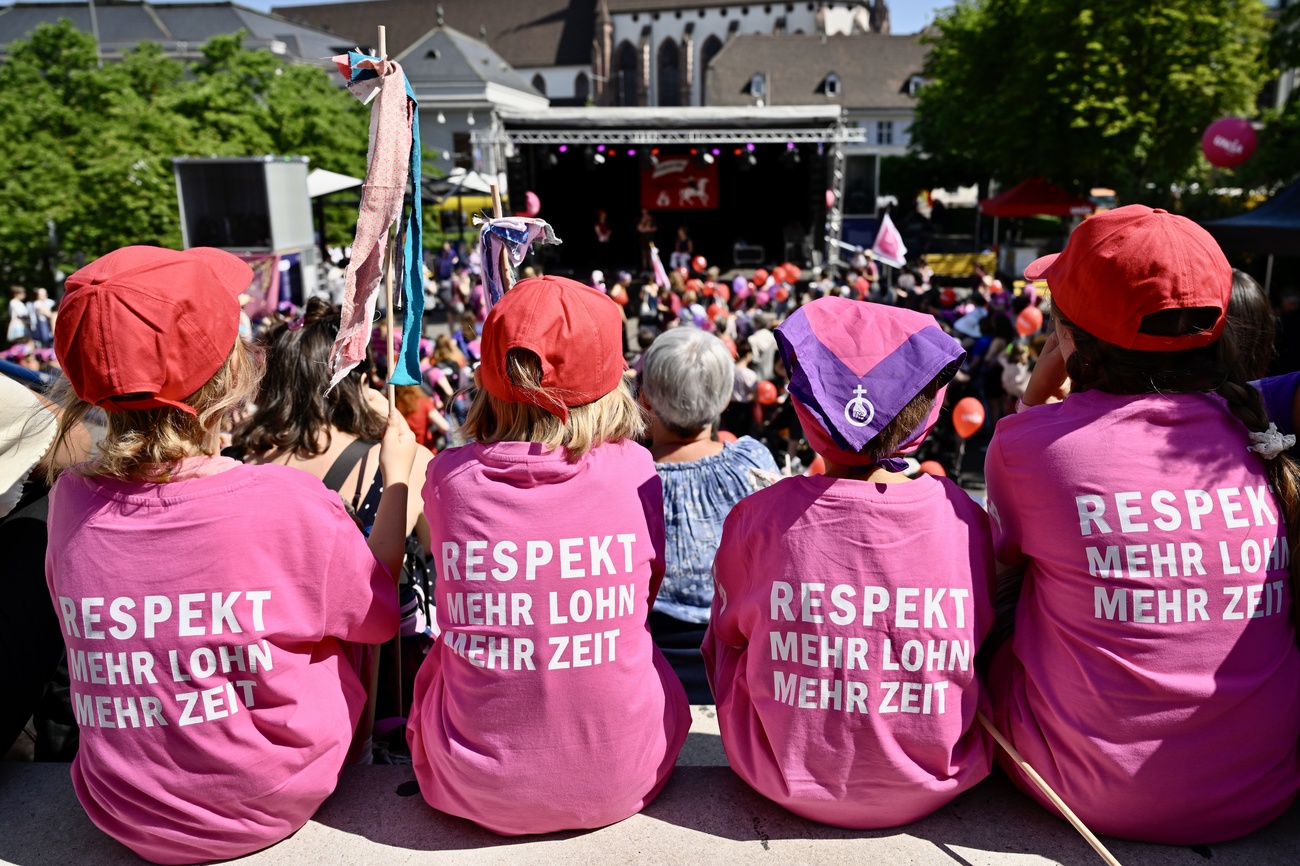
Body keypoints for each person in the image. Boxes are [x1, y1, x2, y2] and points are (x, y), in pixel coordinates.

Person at [42, 246, 412, 864]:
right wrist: (396, 475)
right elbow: (376, 619)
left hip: (119, 803)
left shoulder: (68, 499)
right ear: (227, 370)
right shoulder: (284, 498)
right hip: (268, 795)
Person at [984, 206, 1300, 844]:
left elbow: (995, 580)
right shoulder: (1256, 428)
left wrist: (1034, 404)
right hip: (1261, 787)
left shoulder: (1032, 447)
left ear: (1071, 339)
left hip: (1084, 790)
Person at [406, 276, 689, 835]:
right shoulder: (636, 469)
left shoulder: (448, 479)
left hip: (471, 784)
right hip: (626, 773)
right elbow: (645, 592)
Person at [703, 297, 993, 828]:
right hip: (933, 782)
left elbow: (727, 635)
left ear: (805, 409)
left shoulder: (756, 517)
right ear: (931, 410)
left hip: (776, 775)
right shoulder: (965, 517)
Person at [638, 328, 777, 701]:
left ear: (645, 399)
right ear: (723, 401)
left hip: (648, 663)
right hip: (736, 663)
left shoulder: (625, 475)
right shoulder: (752, 463)